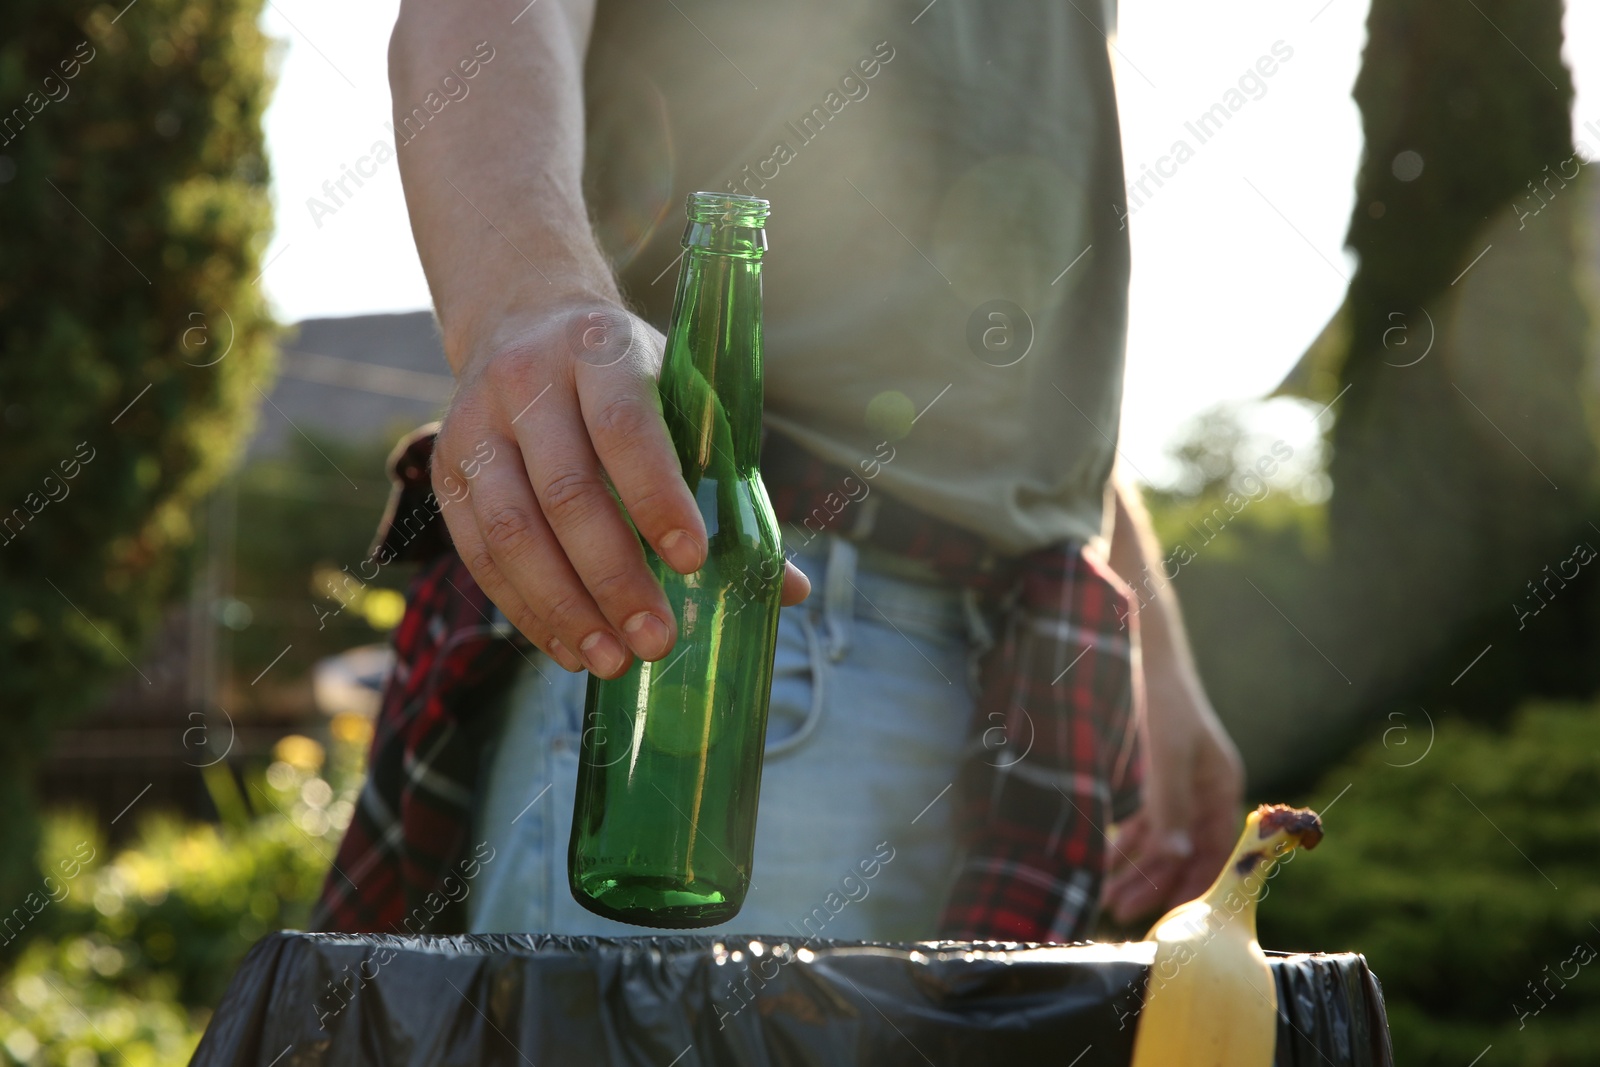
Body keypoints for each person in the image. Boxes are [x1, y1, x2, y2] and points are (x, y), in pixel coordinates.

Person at [313, 0, 1244, 942]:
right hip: (736, 610)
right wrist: (525, 297)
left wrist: (1154, 654)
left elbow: (1012, 360)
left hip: (1036, 658)